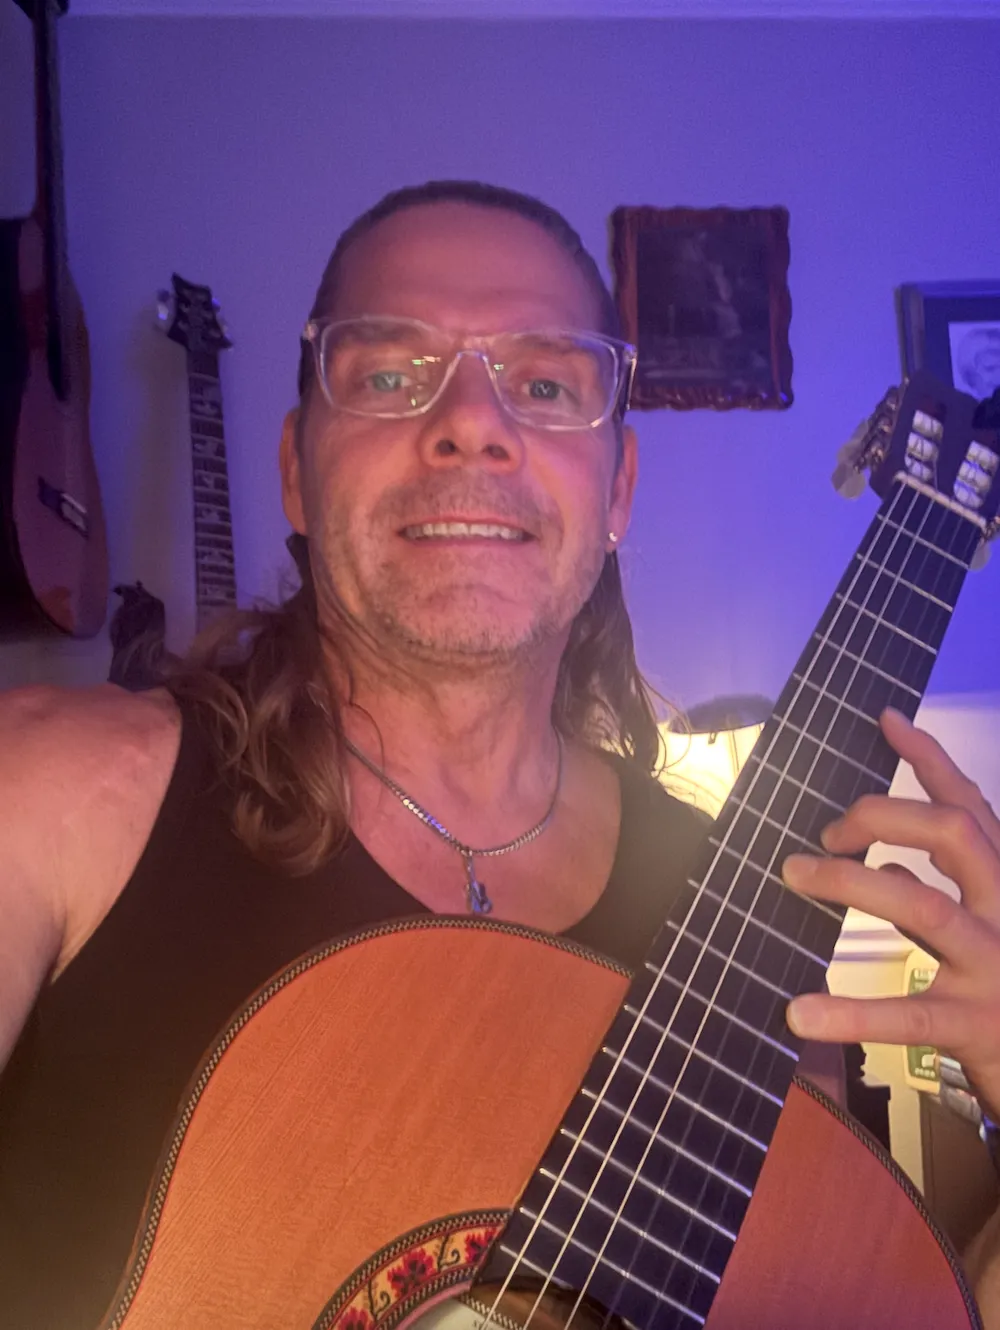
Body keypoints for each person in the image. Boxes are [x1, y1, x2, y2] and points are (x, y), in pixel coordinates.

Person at [1, 180, 999, 1325]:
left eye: (542, 384)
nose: (470, 422)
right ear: (293, 470)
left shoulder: (745, 918)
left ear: (615, 491)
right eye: (386, 373)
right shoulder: (51, 794)